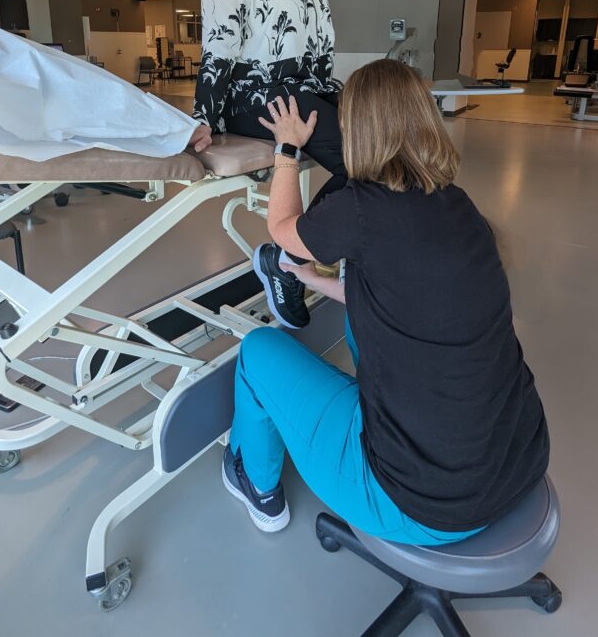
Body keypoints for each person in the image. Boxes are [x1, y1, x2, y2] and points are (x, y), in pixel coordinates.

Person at [221, 59, 550, 544]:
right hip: (518, 464)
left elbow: (281, 229)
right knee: (360, 315)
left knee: (257, 353)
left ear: (356, 127)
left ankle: (256, 485)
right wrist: (314, 280)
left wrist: (287, 147)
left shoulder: (361, 208)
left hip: (422, 505)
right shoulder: (459, 205)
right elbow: (402, 297)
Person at [188, 0, 344, 329]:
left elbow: (316, 36)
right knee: (362, 159)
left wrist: (336, 97)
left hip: (302, 88)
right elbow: (221, 39)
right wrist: (204, 115)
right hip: (251, 92)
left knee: (382, 141)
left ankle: (307, 255)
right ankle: (292, 262)